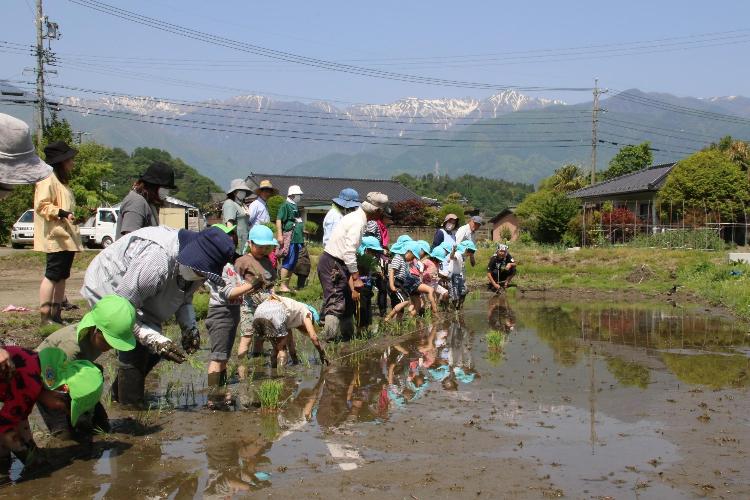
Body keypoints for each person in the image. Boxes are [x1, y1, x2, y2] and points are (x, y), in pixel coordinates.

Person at [81, 225, 235, 407]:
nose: (202, 276)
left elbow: (184, 296)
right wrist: (153, 338)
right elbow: (124, 307)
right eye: (201, 271)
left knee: (154, 352)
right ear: (193, 257)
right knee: (135, 348)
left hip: (143, 298)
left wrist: (189, 327)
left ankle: (118, 394)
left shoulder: (196, 266)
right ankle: (130, 408)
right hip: (112, 289)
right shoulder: (157, 261)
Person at [0, 346, 102, 477]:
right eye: (60, 407)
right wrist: (31, 460)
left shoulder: (35, 365)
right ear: (60, 393)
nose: (55, 409)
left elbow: (20, 418)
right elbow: (3, 425)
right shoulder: (30, 385)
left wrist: (33, 450)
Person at [315, 192, 389, 342]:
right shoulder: (358, 222)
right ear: (376, 211)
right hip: (333, 263)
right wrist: (356, 278)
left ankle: (347, 338)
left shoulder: (357, 218)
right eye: (381, 211)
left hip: (340, 263)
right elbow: (348, 252)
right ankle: (329, 342)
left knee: (348, 301)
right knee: (336, 302)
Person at [204, 224, 261, 409]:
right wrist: (253, 284)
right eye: (226, 236)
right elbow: (229, 293)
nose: (231, 239)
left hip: (231, 313)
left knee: (224, 357)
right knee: (218, 357)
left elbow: (239, 288)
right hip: (221, 313)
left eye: (232, 235)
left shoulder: (230, 264)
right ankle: (214, 398)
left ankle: (221, 392)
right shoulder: (218, 266)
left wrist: (252, 286)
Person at [34, 141, 83, 326]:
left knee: (62, 275)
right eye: (70, 159)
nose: (72, 163)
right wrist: (62, 213)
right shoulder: (47, 179)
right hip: (56, 236)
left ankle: (56, 314)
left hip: (66, 236)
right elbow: (42, 205)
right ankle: (45, 316)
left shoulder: (62, 182)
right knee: (52, 275)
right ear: (62, 161)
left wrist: (73, 217)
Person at [236, 225, 278, 365]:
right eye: (259, 247)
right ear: (250, 243)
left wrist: (273, 293)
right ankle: (241, 363)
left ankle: (257, 359)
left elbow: (272, 281)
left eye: (266, 247)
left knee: (261, 335)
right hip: (248, 303)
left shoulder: (267, 261)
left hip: (265, 303)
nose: (263, 250)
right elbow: (234, 282)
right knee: (247, 335)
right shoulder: (243, 261)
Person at [251, 296, 328, 369]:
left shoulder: (291, 312)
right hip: (276, 312)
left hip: (259, 311)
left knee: (275, 348)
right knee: (281, 348)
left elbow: (290, 342)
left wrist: (295, 360)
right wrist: (322, 354)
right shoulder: (306, 312)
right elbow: (314, 337)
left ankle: (273, 371)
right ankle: (280, 373)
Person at [116, 161, 176, 238]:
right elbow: (130, 240)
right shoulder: (136, 202)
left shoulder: (149, 203)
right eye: (165, 188)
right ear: (153, 186)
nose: (167, 191)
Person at [276, 185, 305, 293]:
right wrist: (279, 235)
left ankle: (287, 285)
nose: (299, 197)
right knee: (288, 260)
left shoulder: (294, 206)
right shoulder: (285, 205)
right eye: (298, 195)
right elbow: (279, 219)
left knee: (293, 262)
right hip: (290, 237)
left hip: (297, 238)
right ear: (292, 195)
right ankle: (282, 285)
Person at [223, 179, 252, 254]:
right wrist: (232, 242)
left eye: (244, 190)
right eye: (241, 190)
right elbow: (229, 225)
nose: (243, 192)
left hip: (245, 240)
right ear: (235, 192)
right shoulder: (230, 203)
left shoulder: (243, 205)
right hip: (236, 242)